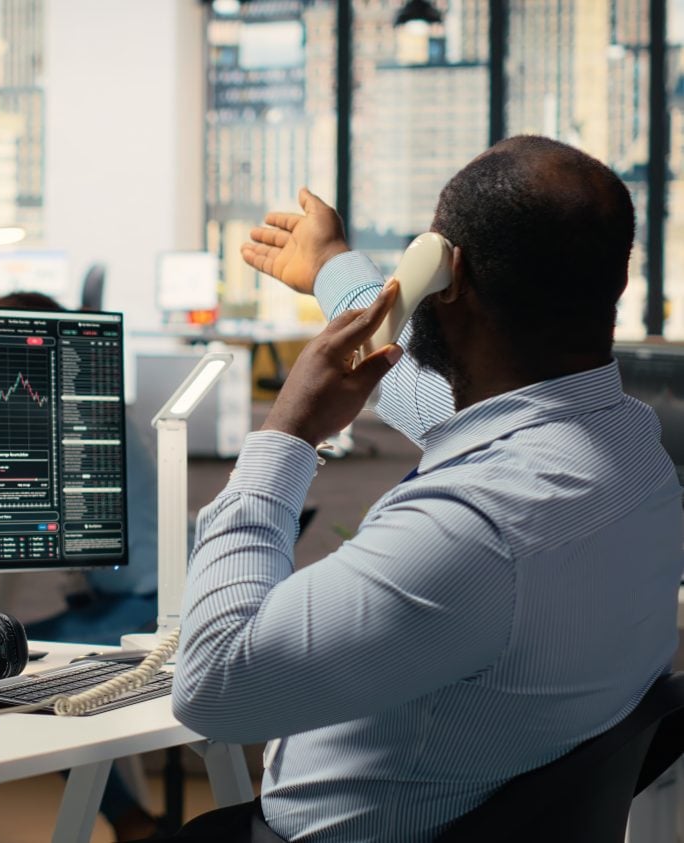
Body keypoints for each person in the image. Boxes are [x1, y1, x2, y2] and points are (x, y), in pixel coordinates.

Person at [164, 135, 684, 842]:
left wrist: (284, 434)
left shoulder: (475, 528)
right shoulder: (631, 452)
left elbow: (214, 684)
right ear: (617, 281)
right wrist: (333, 269)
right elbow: (455, 410)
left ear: (447, 274)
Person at [0, 291, 164, 842]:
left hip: (143, 609)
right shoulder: (74, 400)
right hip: (120, 598)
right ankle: (130, 819)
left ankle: (128, 819)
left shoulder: (69, 411)